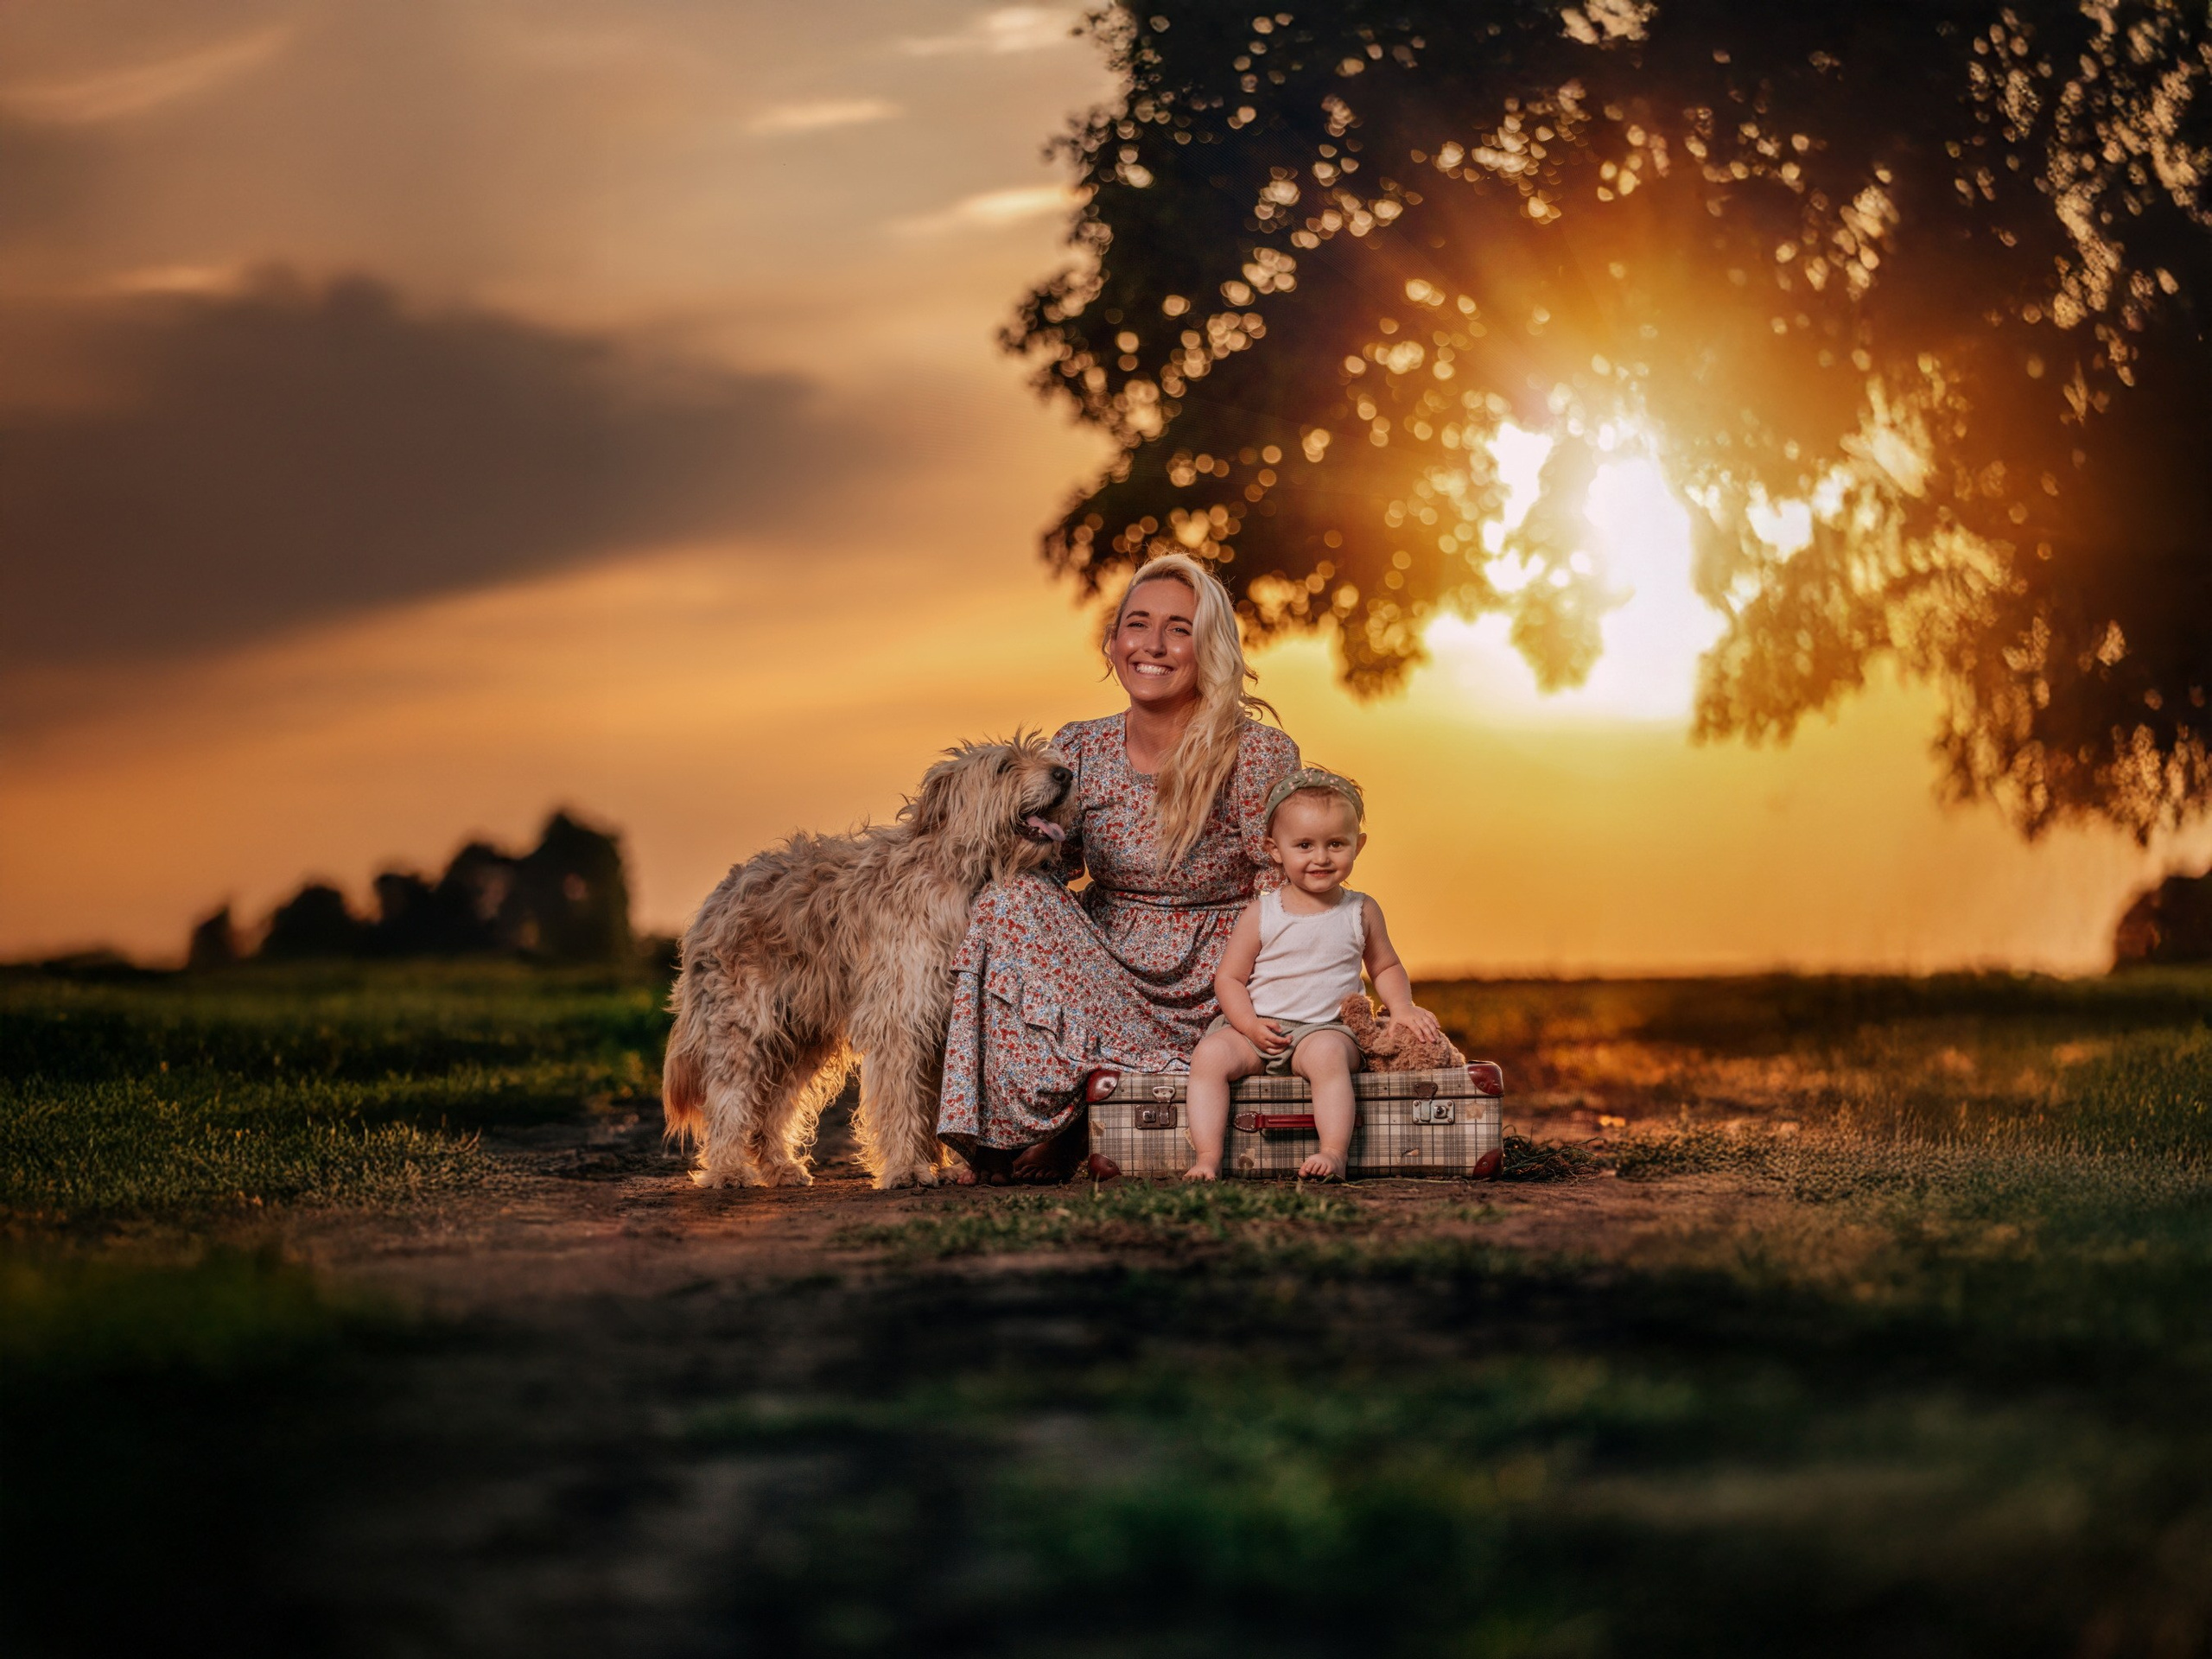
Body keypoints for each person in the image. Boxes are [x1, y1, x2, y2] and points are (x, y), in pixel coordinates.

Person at [938, 553, 1300, 1182]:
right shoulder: (1079, 746)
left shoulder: (1257, 750)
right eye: (1138, 624)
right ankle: (1008, 1130)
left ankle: (1083, 1117)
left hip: (1217, 980)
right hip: (1106, 963)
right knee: (1008, 900)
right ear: (1113, 642)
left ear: (1208, 646)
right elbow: (1052, 867)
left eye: (1179, 629)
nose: (1153, 645)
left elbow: (1285, 884)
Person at [1182, 768, 1445, 1181]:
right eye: (1304, 845)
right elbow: (1229, 979)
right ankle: (1208, 1156)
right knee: (1209, 1056)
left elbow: (1386, 966)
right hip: (1262, 1030)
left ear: (1358, 845)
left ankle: (1334, 1152)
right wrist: (1248, 1026)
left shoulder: (1360, 910)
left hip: (1326, 1029)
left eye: (1335, 844)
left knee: (1327, 1059)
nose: (1321, 857)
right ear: (1275, 849)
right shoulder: (1262, 913)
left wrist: (1402, 1007)